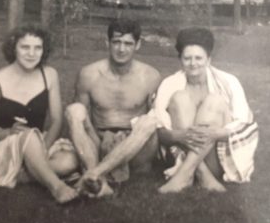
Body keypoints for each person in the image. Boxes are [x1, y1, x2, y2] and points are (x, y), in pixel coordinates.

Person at [0, 26, 78, 203]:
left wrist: (44, 147)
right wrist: (9, 133)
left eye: (38, 48)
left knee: (69, 161)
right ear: (13, 48)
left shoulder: (49, 75)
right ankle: (57, 187)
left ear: (44, 50)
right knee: (27, 134)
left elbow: (57, 120)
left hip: (37, 144)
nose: (31, 54)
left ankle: (6, 177)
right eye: (25, 47)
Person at [154, 27, 259, 193]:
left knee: (215, 101)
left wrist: (215, 133)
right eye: (187, 58)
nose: (193, 63)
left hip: (216, 156)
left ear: (209, 60)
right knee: (180, 97)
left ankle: (183, 176)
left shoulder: (229, 82)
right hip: (179, 153)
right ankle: (202, 174)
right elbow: (160, 129)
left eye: (198, 58)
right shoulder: (170, 84)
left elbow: (244, 125)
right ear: (180, 60)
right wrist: (181, 135)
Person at [65, 19, 161, 196]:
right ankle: (97, 175)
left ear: (138, 45)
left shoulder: (150, 76)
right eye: (116, 42)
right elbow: (83, 118)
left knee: (150, 120)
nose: (121, 49)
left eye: (128, 43)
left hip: (135, 148)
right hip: (98, 142)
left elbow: (154, 127)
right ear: (107, 42)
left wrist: (123, 144)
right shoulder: (89, 74)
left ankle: (93, 174)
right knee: (74, 110)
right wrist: (102, 145)